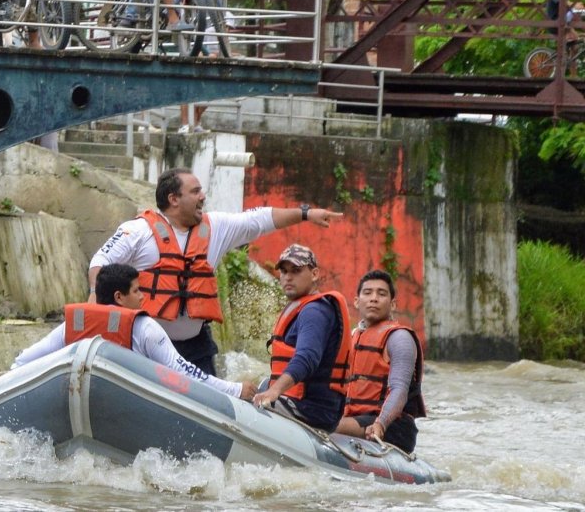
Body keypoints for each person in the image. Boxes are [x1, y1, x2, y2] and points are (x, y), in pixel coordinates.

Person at [88, 167, 343, 376]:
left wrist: (306, 213)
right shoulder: (138, 231)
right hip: (146, 344)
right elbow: (101, 260)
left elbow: (260, 219)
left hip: (196, 346)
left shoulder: (216, 228)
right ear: (173, 199)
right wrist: (95, 297)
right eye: (195, 191)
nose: (203, 196)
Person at [13, 263, 255, 400]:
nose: (142, 297)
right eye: (137, 291)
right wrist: (234, 389)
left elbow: (24, 361)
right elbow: (182, 371)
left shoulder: (73, 326)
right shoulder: (145, 328)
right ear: (119, 297)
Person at [251, 244, 351, 433]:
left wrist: (275, 391)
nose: (288, 277)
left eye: (296, 271)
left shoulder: (314, 311)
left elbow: (307, 358)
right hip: (303, 403)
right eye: (284, 271)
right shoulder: (302, 307)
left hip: (311, 410)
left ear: (314, 274)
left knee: (249, 400)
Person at [335, 270, 426, 453]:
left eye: (381, 294)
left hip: (393, 426)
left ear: (392, 305)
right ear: (356, 301)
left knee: (325, 423)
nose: (374, 298)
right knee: (318, 417)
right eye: (367, 293)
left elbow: (399, 388)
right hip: (356, 419)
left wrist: (381, 424)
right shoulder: (352, 337)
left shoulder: (399, 338)